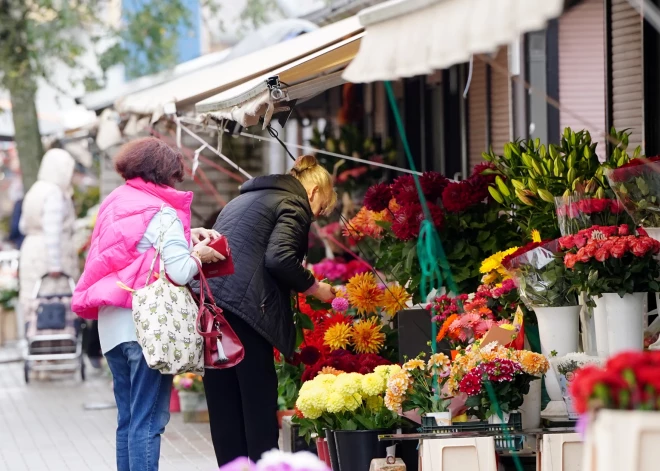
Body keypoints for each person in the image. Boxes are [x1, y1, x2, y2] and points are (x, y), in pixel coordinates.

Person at [71, 137, 224, 471]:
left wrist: (186, 236)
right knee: (148, 423)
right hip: (148, 329)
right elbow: (181, 272)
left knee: (128, 421)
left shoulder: (115, 203)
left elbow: (132, 249)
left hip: (111, 326)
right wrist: (198, 253)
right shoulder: (163, 212)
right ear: (163, 174)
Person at [203, 154, 337, 466]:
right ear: (314, 192)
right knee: (257, 400)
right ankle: (265, 465)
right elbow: (280, 259)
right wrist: (315, 288)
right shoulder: (292, 203)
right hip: (247, 312)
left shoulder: (242, 201)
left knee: (224, 401)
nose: (313, 217)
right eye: (319, 210)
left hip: (211, 308)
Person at [19, 149, 79, 330]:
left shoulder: (36, 189)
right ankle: (55, 346)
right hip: (49, 255)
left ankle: (37, 346)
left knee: (35, 302)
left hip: (31, 250)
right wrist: (55, 265)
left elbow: (23, 225)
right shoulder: (54, 193)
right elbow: (52, 230)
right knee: (54, 301)